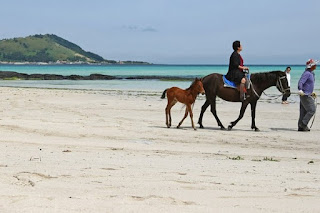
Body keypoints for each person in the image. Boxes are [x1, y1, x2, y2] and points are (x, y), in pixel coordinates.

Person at [297, 59, 318, 131]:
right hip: (305, 95)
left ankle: (300, 127)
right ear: (311, 66)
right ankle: (303, 124)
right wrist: (300, 90)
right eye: (314, 64)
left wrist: (312, 92)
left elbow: (308, 85)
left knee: (303, 111)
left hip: (308, 94)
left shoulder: (311, 73)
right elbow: (301, 82)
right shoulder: (307, 73)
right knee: (312, 110)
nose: (316, 65)